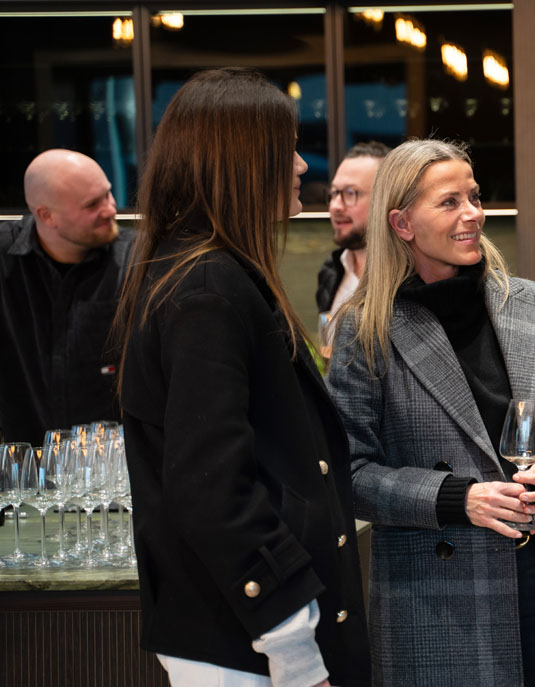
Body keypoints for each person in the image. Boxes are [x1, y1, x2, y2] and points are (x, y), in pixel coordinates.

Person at [115, 68, 370, 687]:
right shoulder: (207, 285)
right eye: (286, 150)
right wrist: (295, 648)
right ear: (241, 161)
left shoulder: (204, 269)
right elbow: (212, 488)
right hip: (248, 644)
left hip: (246, 634)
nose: (303, 166)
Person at [326, 139, 535, 686]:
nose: (473, 215)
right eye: (450, 202)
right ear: (402, 224)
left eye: (474, 197)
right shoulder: (365, 330)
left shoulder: (527, 302)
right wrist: (459, 499)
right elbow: (351, 474)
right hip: (437, 603)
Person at [0, 149, 134, 444]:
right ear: (46, 215)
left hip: (113, 472)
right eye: (92, 204)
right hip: (24, 472)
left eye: (108, 194)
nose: (111, 209)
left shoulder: (137, 260)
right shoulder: (5, 260)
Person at [316, 141, 389, 318]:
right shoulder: (331, 270)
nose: (335, 206)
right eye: (334, 193)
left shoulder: (413, 279)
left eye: (350, 193)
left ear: (387, 199)